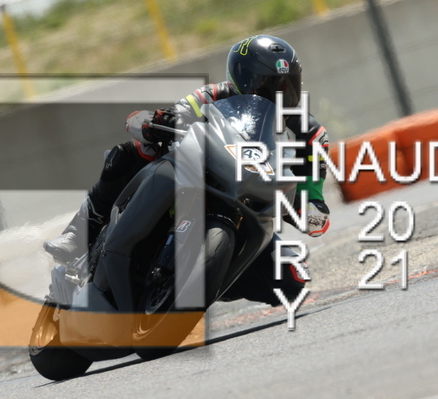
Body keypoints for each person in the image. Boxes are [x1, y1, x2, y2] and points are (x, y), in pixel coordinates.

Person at [44, 34, 331, 306]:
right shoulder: (214, 94)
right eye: (265, 84)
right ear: (241, 79)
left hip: (252, 207)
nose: (277, 94)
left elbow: (313, 192)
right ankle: (79, 233)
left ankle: (204, 280)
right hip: (199, 177)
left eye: (286, 84)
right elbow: (179, 113)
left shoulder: (310, 134)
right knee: (136, 150)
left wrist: (309, 209)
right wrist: (157, 122)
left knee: (293, 281)